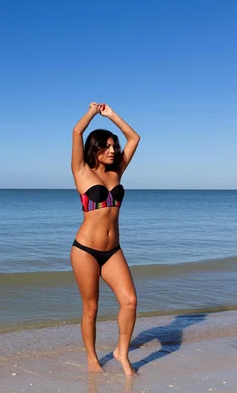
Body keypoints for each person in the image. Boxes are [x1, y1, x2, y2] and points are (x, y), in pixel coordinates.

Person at [70, 102, 141, 375]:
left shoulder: (117, 171)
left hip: (113, 251)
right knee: (91, 308)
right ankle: (91, 359)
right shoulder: (81, 171)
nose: (113, 151)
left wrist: (112, 115)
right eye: (107, 146)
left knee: (130, 301)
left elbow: (135, 138)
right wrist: (92, 112)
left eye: (114, 146)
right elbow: (77, 132)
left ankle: (121, 352)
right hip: (85, 250)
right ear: (95, 148)